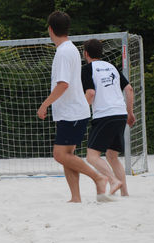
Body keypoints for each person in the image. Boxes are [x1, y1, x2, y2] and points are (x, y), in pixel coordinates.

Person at [37, 11, 109, 203]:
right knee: (67, 155)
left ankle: (99, 178)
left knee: (60, 155)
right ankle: (75, 197)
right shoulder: (70, 48)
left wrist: (45, 104)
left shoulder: (63, 52)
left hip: (72, 113)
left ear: (50, 29)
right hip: (72, 112)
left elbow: (63, 84)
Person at [81, 38, 136, 196]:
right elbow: (129, 89)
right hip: (120, 114)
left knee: (92, 157)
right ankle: (124, 193)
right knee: (112, 156)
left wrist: (81, 112)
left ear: (86, 53)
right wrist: (130, 112)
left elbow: (90, 93)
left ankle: (113, 180)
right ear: (101, 52)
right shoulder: (112, 67)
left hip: (105, 115)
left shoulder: (87, 69)